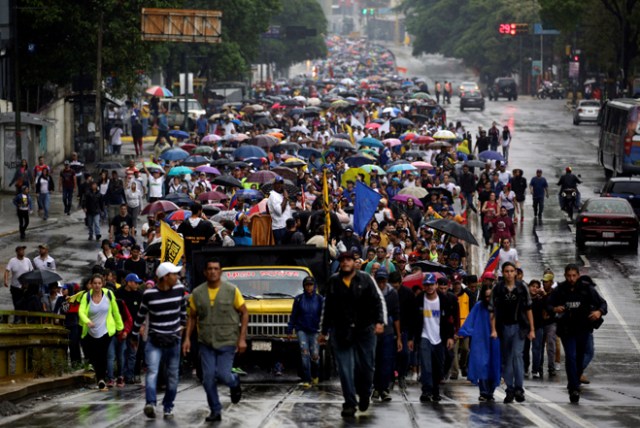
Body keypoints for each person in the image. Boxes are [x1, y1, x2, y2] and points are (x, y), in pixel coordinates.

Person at [319, 251, 386, 418]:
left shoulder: (365, 279)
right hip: (341, 331)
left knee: (367, 366)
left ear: (354, 262)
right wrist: (323, 331)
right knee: (345, 369)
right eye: (342, 260)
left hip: (365, 329)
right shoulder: (333, 282)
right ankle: (349, 402)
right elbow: (327, 308)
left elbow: (378, 300)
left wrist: (379, 322)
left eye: (348, 260)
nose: (345, 263)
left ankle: (364, 394)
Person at [183, 258, 248, 423]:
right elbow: (192, 316)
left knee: (224, 375)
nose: (212, 271)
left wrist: (242, 339)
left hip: (227, 340)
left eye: (216, 269)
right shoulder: (197, 293)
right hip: (206, 342)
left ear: (220, 271)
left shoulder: (232, 290)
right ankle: (215, 410)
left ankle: (234, 382)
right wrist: (187, 339)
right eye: (209, 269)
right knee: (207, 377)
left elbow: (244, 312)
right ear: (205, 272)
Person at [131, 262, 187, 419]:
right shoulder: (149, 295)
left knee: (173, 375)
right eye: (174, 274)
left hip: (174, 340)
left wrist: (183, 327)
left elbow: (183, 311)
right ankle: (150, 403)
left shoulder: (179, 289)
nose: (177, 277)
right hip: (155, 340)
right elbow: (140, 316)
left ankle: (168, 406)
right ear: (165, 277)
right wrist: (134, 335)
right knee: (152, 372)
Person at [549, 264, 607, 403]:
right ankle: (574, 388)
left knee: (580, 358)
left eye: (574, 276)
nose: (571, 278)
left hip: (583, 329)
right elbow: (548, 304)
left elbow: (602, 304)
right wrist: (555, 308)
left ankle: (574, 381)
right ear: (564, 276)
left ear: (578, 276)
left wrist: (599, 312)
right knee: (571, 357)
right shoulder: (560, 289)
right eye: (568, 276)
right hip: (567, 330)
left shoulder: (587, 289)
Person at [489, 262, 535, 403]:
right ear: (503, 273)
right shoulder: (497, 289)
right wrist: (494, 329)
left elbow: (528, 308)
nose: (509, 273)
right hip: (503, 328)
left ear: (516, 272)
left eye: (511, 271)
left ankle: (519, 389)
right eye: (506, 271)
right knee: (507, 360)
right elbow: (492, 310)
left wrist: (532, 329)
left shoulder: (522, 287)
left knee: (517, 356)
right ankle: (510, 389)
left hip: (519, 327)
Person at [412, 273, 458, 403]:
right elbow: (414, 320)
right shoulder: (419, 299)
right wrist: (412, 338)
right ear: (423, 286)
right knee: (426, 365)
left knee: (438, 366)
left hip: (440, 338)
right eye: (427, 285)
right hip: (424, 336)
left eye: (432, 284)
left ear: (436, 285)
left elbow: (449, 320)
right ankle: (426, 390)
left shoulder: (444, 300)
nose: (430, 287)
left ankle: (436, 390)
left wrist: (450, 337)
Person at [78, 273, 124, 390]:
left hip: (105, 330)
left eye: (99, 283)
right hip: (91, 331)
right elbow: (81, 311)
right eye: (95, 283)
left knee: (102, 355)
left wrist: (120, 328)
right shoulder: (86, 296)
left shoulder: (108, 294)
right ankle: (100, 377)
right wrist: (87, 321)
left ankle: (101, 380)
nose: (97, 286)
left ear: (102, 284)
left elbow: (115, 311)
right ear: (91, 285)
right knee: (94, 356)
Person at [456, 283, 501, 401]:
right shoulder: (478, 306)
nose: (488, 299)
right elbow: (470, 321)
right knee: (482, 365)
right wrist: (461, 333)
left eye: (490, 296)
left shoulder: (499, 307)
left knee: (493, 365)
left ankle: (490, 392)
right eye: (486, 297)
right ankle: (484, 391)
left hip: (495, 341)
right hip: (481, 340)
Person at [287, 276, 324, 387]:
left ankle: (315, 375)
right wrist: (289, 330)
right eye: (307, 285)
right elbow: (293, 316)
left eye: (311, 285)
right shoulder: (298, 299)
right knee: (304, 354)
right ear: (304, 286)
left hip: (315, 331)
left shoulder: (320, 299)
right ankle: (307, 379)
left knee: (315, 356)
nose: (309, 287)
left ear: (314, 286)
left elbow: (324, 316)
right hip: (301, 330)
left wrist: (325, 332)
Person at [177, 202, 215, 289]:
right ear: (200, 211)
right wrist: (206, 220)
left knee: (190, 279)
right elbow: (214, 237)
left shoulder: (183, 225)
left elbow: (178, 238)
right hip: (202, 256)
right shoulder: (206, 225)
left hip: (189, 256)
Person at [116, 273, 144, 385]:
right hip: (122, 328)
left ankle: (130, 375)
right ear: (129, 282)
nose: (137, 285)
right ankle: (121, 375)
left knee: (132, 353)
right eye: (135, 282)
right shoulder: (119, 293)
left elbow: (142, 311)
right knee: (122, 353)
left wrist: (141, 325)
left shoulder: (139, 294)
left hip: (135, 329)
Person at [4, 245, 34, 310]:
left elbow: (32, 272)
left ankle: (22, 317)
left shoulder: (27, 260)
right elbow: (7, 271)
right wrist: (5, 280)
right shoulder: (12, 261)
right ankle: (17, 318)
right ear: (17, 252)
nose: (22, 252)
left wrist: (29, 282)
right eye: (21, 250)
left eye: (23, 250)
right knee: (16, 304)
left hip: (25, 287)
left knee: (25, 304)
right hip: (15, 287)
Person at [267, 176, 292, 244]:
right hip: (279, 228)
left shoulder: (281, 195)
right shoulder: (272, 196)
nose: (279, 185)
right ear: (273, 185)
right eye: (277, 183)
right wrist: (286, 198)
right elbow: (279, 211)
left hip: (286, 227)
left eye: (281, 183)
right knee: (281, 251)